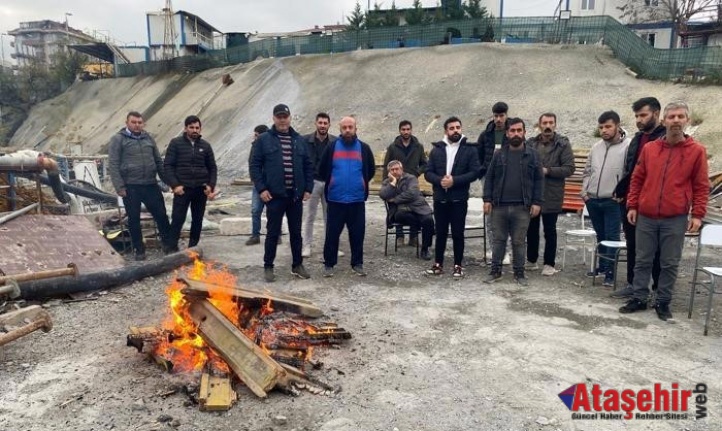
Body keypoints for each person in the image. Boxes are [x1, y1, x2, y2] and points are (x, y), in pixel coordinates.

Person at [620, 101, 709, 321]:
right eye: (672, 117)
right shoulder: (651, 149)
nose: (676, 121)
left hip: (675, 217)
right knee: (643, 259)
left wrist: (697, 214)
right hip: (646, 215)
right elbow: (637, 179)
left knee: (669, 262)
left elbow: (701, 185)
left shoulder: (696, 151)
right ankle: (639, 297)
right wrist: (632, 205)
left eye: (680, 117)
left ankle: (663, 301)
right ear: (664, 121)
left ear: (687, 120)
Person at [249, 104, 314, 282]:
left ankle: (297, 265)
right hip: (274, 197)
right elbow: (254, 166)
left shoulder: (299, 140)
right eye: (279, 116)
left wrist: (308, 188)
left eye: (285, 116)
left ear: (290, 118)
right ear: (274, 118)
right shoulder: (263, 140)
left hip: (295, 197)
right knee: (272, 233)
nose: (283, 119)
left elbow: (308, 166)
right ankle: (268, 266)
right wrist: (261, 189)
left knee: (296, 232)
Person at [610, 97, 666, 298]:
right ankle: (634, 285)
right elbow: (631, 170)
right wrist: (622, 192)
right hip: (631, 202)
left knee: (657, 249)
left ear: (657, 113)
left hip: (654, 203)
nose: (639, 120)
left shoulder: (666, 139)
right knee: (633, 244)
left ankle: (658, 289)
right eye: (636, 116)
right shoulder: (637, 139)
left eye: (643, 115)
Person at [483, 118, 544, 286]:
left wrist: (537, 202)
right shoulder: (499, 155)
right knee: (498, 240)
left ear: (524, 132)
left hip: (522, 207)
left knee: (519, 241)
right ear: (507, 133)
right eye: (512, 131)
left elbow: (539, 180)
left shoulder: (532, 155)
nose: (516, 133)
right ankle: (496, 271)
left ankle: (519, 273)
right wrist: (487, 199)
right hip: (499, 206)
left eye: (519, 130)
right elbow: (489, 179)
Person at [108, 111, 173, 261]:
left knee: (161, 215)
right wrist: (119, 187)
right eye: (134, 122)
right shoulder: (118, 139)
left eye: (139, 122)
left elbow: (158, 161)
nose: (137, 125)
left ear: (143, 124)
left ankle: (168, 244)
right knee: (133, 219)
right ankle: (139, 250)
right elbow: (113, 164)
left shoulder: (148, 138)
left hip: (150, 184)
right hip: (131, 186)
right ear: (127, 123)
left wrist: (169, 182)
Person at [318, 116, 375, 277]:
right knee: (332, 234)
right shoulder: (331, 147)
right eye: (344, 127)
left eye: (351, 127)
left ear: (356, 128)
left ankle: (357, 264)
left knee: (357, 234)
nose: (348, 130)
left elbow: (370, 170)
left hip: (357, 200)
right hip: (336, 200)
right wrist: (334, 182)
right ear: (340, 129)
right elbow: (322, 169)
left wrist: (361, 183)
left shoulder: (364, 148)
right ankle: (329, 264)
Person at [424, 116, 480, 278]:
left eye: (458, 127)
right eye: (452, 128)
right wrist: (440, 181)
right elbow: (428, 172)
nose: (455, 130)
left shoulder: (470, 149)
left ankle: (458, 265)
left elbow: (475, 172)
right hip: (440, 198)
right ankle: (438, 264)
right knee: (440, 232)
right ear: (445, 131)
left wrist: (454, 181)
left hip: (459, 199)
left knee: (457, 233)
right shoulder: (437, 150)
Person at [581, 111, 630, 287]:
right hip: (593, 200)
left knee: (612, 236)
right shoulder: (596, 147)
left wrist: (622, 194)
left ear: (617, 125)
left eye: (608, 126)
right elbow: (587, 171)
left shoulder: (627, 146)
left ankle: (610, 272)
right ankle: (602, 267)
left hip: (613, 201)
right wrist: (585, 193)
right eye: (601, 127)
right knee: (601, 236)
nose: (604, 130)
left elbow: (629, 174)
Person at [525, 113, 575, 276]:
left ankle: (549, 263)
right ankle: (531, 260)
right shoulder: (531, 143)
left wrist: (548, 170)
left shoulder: (563, 144)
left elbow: (569, 168)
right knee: (531, 229)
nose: (548, 126)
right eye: (544, 122)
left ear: (555, 125)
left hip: (553, 193)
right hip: (533, 193)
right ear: (539, 125)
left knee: (550, 230)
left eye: (551, 123)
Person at [164, 115, 218, 251]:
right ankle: (171, 248)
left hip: (200, 189)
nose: (195, 130)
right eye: (191, 127)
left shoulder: (205, 146)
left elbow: (212, 167)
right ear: (185, 128)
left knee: (197, 219)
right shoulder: (176, 143)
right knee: (178, 219)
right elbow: (168, 166)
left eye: (197, 128)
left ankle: (192, 248)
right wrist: (175, 185)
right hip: (183, 189)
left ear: (200, 129)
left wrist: (210, 186)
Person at [382, 120, 428, 248]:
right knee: (397, 206)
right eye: (403, 129)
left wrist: (416, 173)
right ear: (399, 130)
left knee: (414, 207)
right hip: (397, 183)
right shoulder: (393, 147)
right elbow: (387, 166)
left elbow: (424, 163)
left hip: (411, 182)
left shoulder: (418, 146)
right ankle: (399, 236)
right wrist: (387, 183)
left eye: (408, 129)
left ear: (411, 130)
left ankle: (413, 237)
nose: (406, 132)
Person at [379, 160, 434, 260]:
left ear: (402, 169)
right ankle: (420, 226)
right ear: (389, 172)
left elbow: (412, 193)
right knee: (401, 215)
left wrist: (395, 199)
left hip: (418, 207)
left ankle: (425, 249)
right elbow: (383, 195)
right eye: (392, 170)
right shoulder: (387, 182)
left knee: (428, 220)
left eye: (397, 169)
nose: (395, 171)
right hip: (401, 211)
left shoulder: (411, 178)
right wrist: (393, 183)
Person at [301, 113, 339, 258]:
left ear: (329, 125)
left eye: (325, 123)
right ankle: (307, 246)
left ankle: (331, 246)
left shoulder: (335, 141)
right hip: (313, 183)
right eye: (320, 123)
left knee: (329, 217)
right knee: (310, 216)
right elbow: (302, 162)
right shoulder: (305, 140)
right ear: (316, 124)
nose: (323, 126)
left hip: (330, 183)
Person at [246, 124, 274, 246]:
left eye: (257, 135)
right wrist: (255, 180)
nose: (255, 138)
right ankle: (255, 235)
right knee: (255, 210)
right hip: (258, 185)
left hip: (272, 184)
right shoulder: (254, 147)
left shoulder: (272, 146)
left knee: (273, 211)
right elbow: (252, 164)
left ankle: (275, 235)